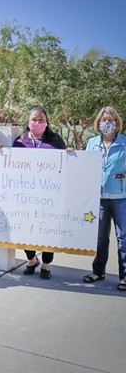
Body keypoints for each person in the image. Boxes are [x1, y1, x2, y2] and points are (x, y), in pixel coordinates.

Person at [12, 105, 70, 279]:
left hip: (49, 195)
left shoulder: (55, 140)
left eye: (41, 120)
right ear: (28, 122)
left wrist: (69, 154)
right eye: (34, 120)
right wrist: (1, 152)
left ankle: (46, 264)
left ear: (47, 122)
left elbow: (66, 163)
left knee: (48, 231)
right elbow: (11, 163)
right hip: (25, 195)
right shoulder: (20, 141)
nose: (37, 123)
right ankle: (31, 260)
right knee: (24, 229)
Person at [83, 106, 126, 291]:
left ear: (117, 123)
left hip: (121, 198)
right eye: (104, 120)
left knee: (123, 238)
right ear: (98, 123)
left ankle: (124, 277)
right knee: (100, 238)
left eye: (111, 120)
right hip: (98, 199)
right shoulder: (92, 143)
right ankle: (98, 271)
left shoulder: (124, 143)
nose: (107, 123)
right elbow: (84, 166)